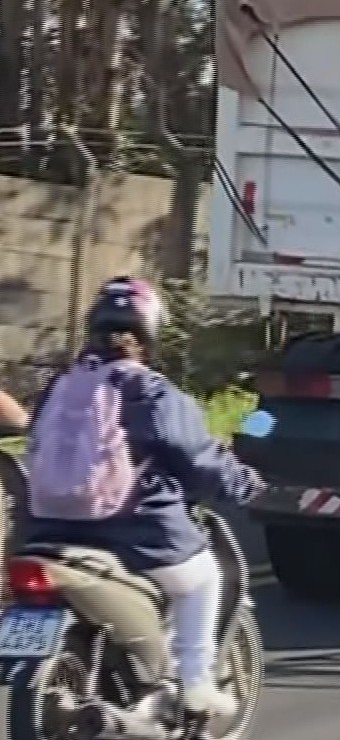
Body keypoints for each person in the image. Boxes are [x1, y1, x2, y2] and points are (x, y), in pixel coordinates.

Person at [24, 277, 265, 719]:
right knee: (203, 579)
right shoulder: (153, 392)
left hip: (45, 528)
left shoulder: (57, 388)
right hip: (135, 532)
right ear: (149, 332)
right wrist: (245, 485)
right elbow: (199, 460)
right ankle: (195, 685)